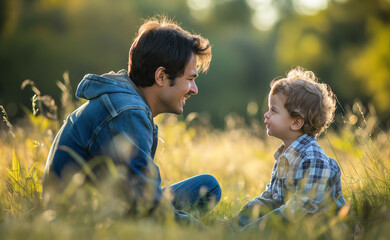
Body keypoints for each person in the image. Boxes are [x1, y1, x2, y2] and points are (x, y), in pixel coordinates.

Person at [43, 16, 221, 224]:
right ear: (161, 76)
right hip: (84, 221)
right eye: (190, 79)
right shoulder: (127, 111)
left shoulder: (127, 103)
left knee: (208, 188)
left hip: (109, 205)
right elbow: (145, 206)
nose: (194, 89)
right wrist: (206, 231)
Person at [232, 66, 345, 230]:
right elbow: (272, 197)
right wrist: (239, 222)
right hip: (291, 224)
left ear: (296, 122)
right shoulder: (285, 156)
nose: (266, 114)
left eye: (273, 110)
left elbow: (304, 206)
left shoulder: (313, 159)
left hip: (318, 231)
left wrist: (256, 228)